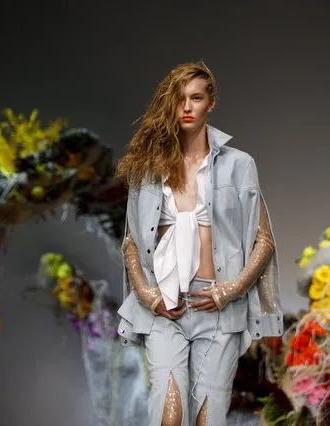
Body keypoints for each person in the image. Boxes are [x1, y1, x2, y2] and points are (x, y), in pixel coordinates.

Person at [115, 61, 282, 426]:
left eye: (196, 98)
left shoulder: (239, 165)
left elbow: (264, 239)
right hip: (165, 306)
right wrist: (147, 295)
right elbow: (131, 241)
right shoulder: (147, 168)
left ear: (211, 103)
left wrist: (232, 289)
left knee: (209, 420)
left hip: (217, 309)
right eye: (179, 99)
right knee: (169, 417)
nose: (187, 107)